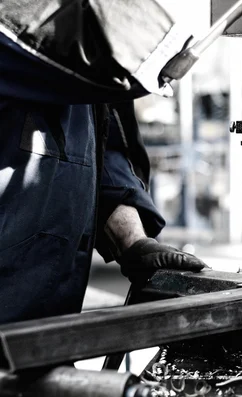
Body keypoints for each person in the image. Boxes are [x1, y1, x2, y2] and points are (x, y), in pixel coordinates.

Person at [0, 1, 208, 324]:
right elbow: (115, 51)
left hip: (42, 332)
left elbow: (101, 146)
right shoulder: (21, 18)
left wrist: (133, 240)